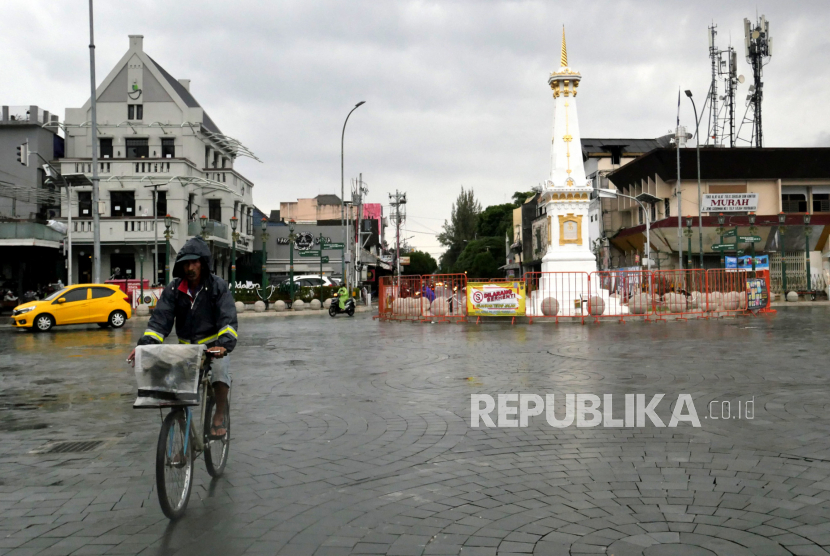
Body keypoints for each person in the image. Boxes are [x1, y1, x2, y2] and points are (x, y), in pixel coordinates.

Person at [128, 237, 237, 437]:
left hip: (213, 348)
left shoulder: (218, 286)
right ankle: (185, 446)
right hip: (186, 350)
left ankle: (219, 415)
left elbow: (227, 320)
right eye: (186, 263)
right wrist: (144, 346)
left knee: (220, 374)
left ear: (203, 263)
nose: (190, 267)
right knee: (174, 391)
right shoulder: (173, 289)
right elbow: (159, 322)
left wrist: (224, 345)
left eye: (194, 262)